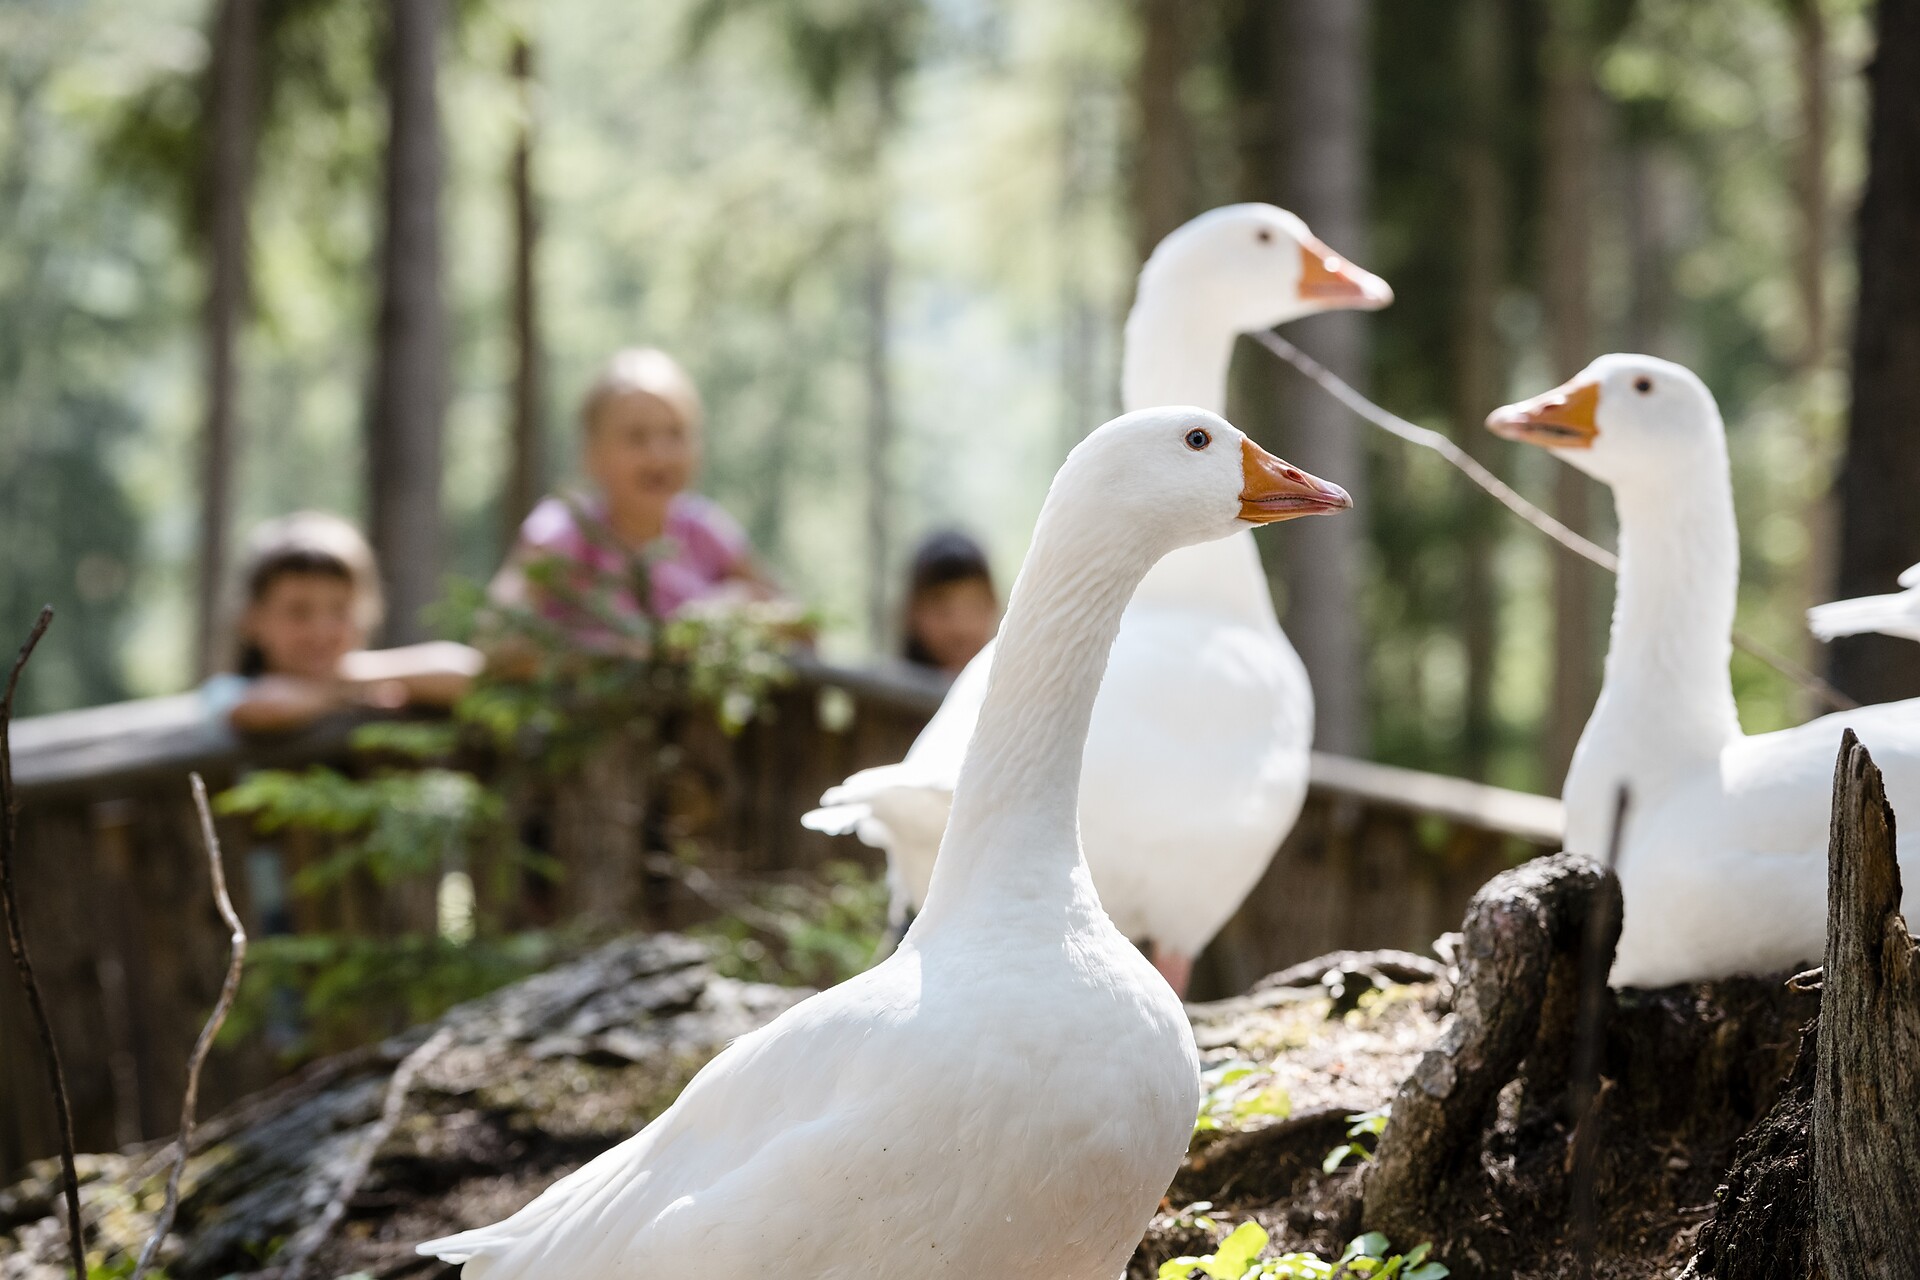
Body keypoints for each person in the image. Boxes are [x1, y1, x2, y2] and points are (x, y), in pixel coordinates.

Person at [488, 347, 782, 648]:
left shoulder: (702, 529)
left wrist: (731, 604)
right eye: (636, 437)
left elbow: (791, 615)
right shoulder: (564, 529)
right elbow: (499, 627)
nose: (659, 455)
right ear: (592, 454)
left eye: (675, 434)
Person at [203, 512, 482, 733]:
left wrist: (353, 681)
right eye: (298, 612)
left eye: (340, 611)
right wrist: (345, 694)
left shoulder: (362, 675)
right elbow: (258, 710)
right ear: (252, 620)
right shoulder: (227, 691)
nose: (320, 630)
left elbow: (470, 674)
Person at [901, 529, 998, 677]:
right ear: (913, 612)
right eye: (942, 610)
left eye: (973, 606)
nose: (960, 628)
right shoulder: (878, 694)